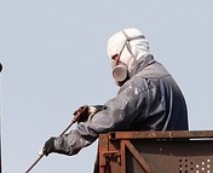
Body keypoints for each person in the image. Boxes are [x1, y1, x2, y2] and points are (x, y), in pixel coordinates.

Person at [42, 28, 188, 156]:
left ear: (130, 49)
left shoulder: (140, 84)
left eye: (115, 57)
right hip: (173, 167)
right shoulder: (164, 77)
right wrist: (96, 111)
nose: (115, 63)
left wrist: (62, 143)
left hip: (150, 169)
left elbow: (110, 119)